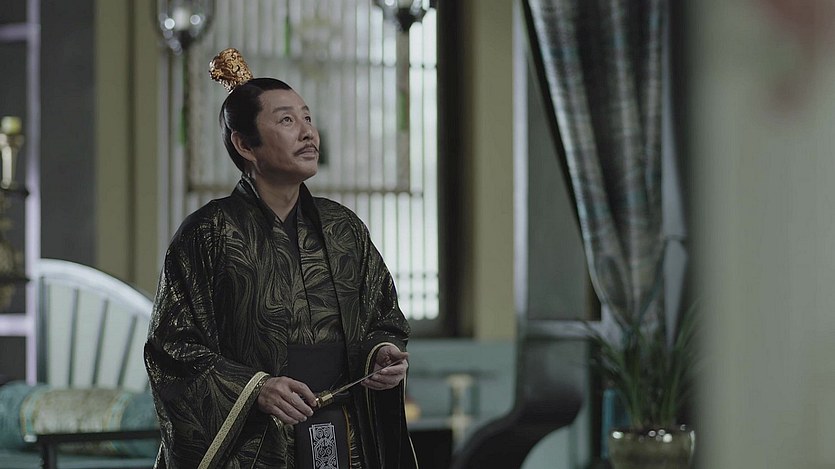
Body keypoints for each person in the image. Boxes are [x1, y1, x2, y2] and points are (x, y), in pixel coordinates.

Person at [144, 48, 417, 469]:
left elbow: (383, 316)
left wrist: (381, 353)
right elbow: (172, 348)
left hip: (342, 432)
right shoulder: (208, 233)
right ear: (244, 144)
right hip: (254, 446)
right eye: (287, 121)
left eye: (307, 118)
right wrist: (255, 388)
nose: (308, 132)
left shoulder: (343, 228)